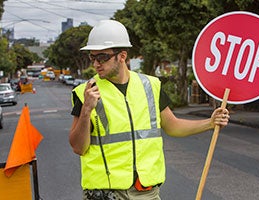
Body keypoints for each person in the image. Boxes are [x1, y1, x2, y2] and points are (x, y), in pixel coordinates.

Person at [69, 20, 230, 200]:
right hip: (105, 193)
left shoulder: (150, 86)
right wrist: (86, 110)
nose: (96, 64)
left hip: (146, 192)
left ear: (122, 56)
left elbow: (173, 126)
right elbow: (78, 147)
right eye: (93, 58)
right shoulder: (86, 92)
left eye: (102, 57)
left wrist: (210, 123)